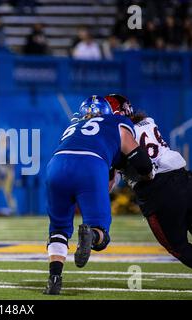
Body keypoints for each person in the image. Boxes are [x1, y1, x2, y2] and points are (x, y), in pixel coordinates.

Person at [44, 96, 154, 295]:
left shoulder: (74, 125)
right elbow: (142, 163)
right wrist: (149, 175)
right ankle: (91, 235)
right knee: (101, 233)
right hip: (91, 165)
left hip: (56, 165)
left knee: (58, 230)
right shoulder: (117, 122)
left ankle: (54, 279)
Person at [105, 94, 192, 269]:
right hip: (185, 180)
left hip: (157, 193)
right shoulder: (148, 121)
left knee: (178, 247)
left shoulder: (118, 136)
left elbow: (110, 182)